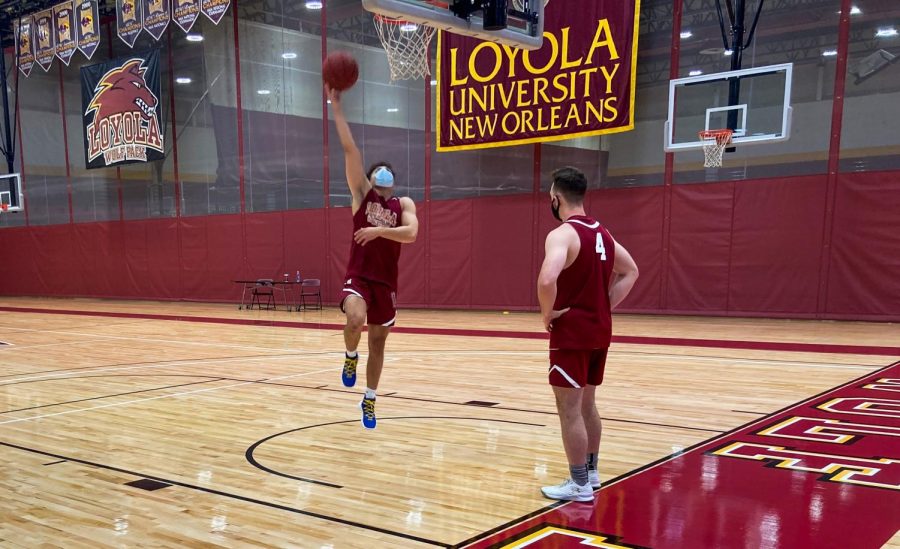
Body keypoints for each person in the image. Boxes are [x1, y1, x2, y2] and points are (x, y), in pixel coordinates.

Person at [537, 166, 639, 502]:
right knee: (588, 406)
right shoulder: (604, 233)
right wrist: (604, 303)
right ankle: (592, 474)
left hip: (572, 333)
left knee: (569, 409)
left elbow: (548, 278)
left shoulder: (563, 234)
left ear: (556, 198)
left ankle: (578, 483)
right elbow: (631, 271)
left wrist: (547, 313)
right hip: (600, 330)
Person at [327, 85, 419, 429]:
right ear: (368, 182)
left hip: (386, 283)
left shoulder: (403, 204)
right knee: (354, 319)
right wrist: (336, 107)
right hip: (359, 277)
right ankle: (350, 356)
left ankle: (369, 399)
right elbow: (350, 149)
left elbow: (411, 234)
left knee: (378, 343)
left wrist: (380, 231)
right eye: (377, 177)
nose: (383, 182)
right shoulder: (361, 198)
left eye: (386, 179)